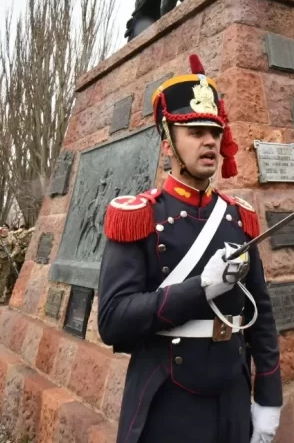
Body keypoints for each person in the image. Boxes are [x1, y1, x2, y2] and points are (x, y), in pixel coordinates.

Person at [98, 54, 283, 443]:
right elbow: (113, 320)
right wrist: (201, 289)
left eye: (214, 132)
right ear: (168, 144)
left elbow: (261, 317)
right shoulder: (139, 215)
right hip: (169, 400)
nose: (210, 141)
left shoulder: (238, 216)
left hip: (232, 398)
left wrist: (267, 401)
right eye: (195, 131)